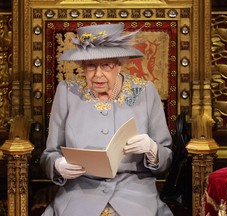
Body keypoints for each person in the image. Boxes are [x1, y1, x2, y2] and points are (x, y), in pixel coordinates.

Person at [40, 23, 173, 216]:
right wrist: (58, 165)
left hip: (134, 193)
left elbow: (166, 158)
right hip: (80, 192)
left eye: (106, 65)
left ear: (119, 64)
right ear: (82, 66)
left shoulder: (144, 91)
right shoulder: (67, 92)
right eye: (91, 66)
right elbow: (49, 154)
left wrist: (152, 150)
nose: (98, 74)